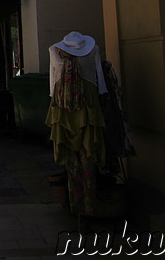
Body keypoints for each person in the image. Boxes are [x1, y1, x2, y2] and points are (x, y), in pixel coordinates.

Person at [45, 31, 107, 218]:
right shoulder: (93, 50)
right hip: (87, 108)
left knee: (72, 160)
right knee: (88, 155)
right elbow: (100, 80)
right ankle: (89, 205)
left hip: (63, 110)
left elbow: (52, 82)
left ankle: (77, 204)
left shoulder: (55, 51)